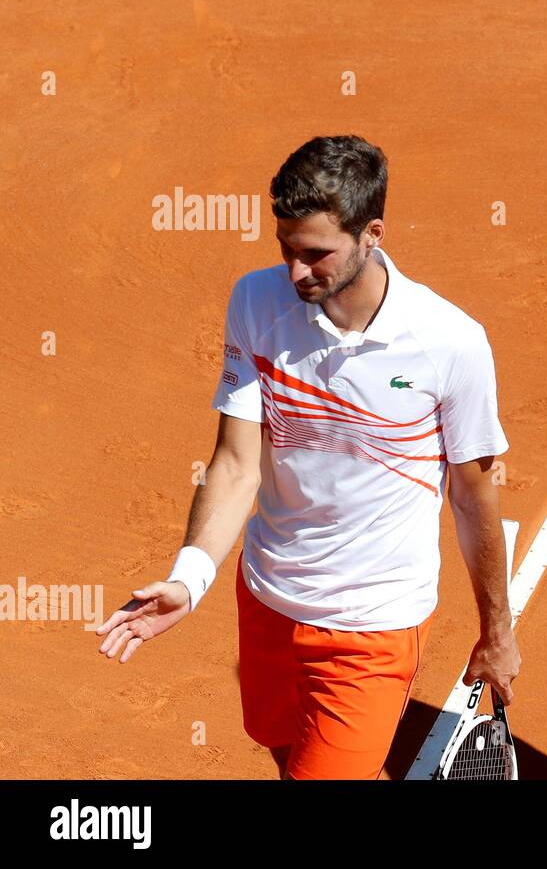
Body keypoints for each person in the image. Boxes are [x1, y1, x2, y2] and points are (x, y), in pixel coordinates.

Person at [96, 135, 519, 779]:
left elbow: (474, 493)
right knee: (274, 736)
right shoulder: (256, 301)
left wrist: (497, 632)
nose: (297, 273)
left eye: (316, 254)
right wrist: (189, 577)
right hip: (267, 597)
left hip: (371, 625)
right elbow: (238, 463)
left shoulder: (450, 344)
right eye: (286, 250)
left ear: (372, 233)